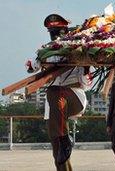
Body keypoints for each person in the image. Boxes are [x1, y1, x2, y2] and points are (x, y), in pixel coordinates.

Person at [26, 14, 92, 171]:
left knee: (55, 91)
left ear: (66, 31)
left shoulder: (78, 47)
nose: (55, 36)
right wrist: (34, 64)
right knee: (58, 153)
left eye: (58, 32)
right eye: (52, 32)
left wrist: (85, 67)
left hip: (74, 95)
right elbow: (33, 67)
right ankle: (63, 142)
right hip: (53, 102)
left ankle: (65, 138)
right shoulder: (45, 50)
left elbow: (86, 84)